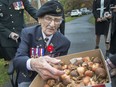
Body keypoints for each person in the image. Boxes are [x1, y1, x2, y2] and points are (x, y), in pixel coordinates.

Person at [13, 1, 70, 87]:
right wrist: (33, 63)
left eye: (57, 20)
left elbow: (60, 64)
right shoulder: (28, 34)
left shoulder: (64, 42)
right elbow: (18, 60)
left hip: (50, 78)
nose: (52, 24)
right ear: (39, 19)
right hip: (29, 77)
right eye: (48, 18)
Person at [0, 0, 37, 65]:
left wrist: (42, 19)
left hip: (22, 34)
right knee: (14, 63)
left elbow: (31, 9)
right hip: (6, 37)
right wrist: (9, 33)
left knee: (28, 60)